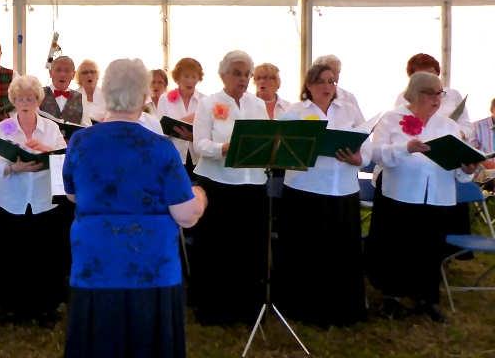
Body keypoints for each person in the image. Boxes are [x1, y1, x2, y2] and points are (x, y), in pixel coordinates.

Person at [62, 58, 206, 358]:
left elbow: (73, 196)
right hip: (150, 269)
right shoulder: (160, 147)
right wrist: (200, 194)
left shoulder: (80, 143)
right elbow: (186, 215)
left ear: (107, 93)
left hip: (95, 266)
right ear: (143, 97)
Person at [367, 71, 481, 321]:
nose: (438, 99)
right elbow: (376, 154)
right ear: (417, 94)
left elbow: (457, 167)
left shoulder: (448, 125)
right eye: (432, 94)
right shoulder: (392, 118)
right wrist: (405, 148)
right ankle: (392, 298)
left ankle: (427, 298)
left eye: (440, 94)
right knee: (397, 248)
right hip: (400, 194)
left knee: (430, 248)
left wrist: (466, 169)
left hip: (437, 196)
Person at [275, 64, 367, 326]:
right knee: (308, 253)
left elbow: (367, 142)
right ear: (309, 86)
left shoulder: (348, 110)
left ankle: (343, 308)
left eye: (331, 82)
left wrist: (359, 157)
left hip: (343, 189)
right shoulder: (295, 112)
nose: (327, 87)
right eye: (321, 82)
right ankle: (304, 307)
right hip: (306, 191)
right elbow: (279, 145)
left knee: (340, 253)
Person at [189, 50, 269, 325]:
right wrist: (222, 148)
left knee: (248, 248)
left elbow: (266, 139)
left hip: (253, 184)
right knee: (217, 249)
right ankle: (213, 307)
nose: (243, 79)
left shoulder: (257, 105)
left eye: (247, 73)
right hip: (219, 185)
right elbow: (199, 144)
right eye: (237, 73)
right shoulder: (209, 103)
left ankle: (247, 306)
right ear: (223, 75)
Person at [0, 75, 66, 325]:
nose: (25, 102)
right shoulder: (6, 127)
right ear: (13, 100)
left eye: (30, 98)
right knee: (13, 256)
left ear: (38, 101)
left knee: (43, 256)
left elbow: (63, 159)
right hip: (14, 199)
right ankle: (12, 307)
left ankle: (45, 307)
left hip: (43, 200)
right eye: (20, 98)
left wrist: (46, 152)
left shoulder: (50, 128)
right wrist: (14, 168)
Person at [395, 53, 471, 136]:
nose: (428, 79)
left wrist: (457, 135)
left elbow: (466, 126)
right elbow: (398, 126)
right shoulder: (403, 98)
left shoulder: (453, 95)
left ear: (437, 73)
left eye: (431, 74)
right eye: (422, 76)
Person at [157, 58, 205, 175]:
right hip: (173, 156)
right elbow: (159, 130)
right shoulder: (165, 99)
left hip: (198, 158)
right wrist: (185, 121)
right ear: (177, 78)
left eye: (194, 77)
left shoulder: (204, 101)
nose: (190, 81)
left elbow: (208, 133)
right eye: (186, 76)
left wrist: (194, 136)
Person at [312, 54, 365, 125]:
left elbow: (362, 129)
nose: (335, 76)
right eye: (331, 71)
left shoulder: (349, 98)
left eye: (338, 72)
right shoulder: (308, 97)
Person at [40, 56, 91, 129]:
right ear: (50, 73)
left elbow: (87, 129)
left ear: (73, 75)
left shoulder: (82, 98)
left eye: (67, 71)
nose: (62, 74)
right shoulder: (39, 94)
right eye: (58, 70)